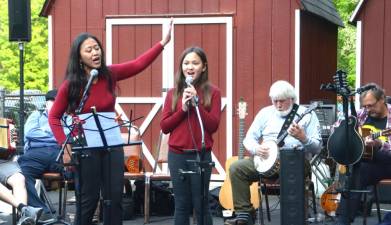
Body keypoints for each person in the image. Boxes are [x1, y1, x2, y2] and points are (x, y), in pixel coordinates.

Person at [48, 20, 173, 225]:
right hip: (86, 148)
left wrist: (163, 42)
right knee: (87, 201)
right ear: (79, 58)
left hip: (112, 146)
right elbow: (54, 117)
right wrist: (65, 143)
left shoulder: (109, 74)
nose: (95, 52)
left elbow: (138, 64)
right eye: (88, 50)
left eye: (96, 48)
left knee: (114, 200)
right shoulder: (71, 84)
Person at [224, 80, 322, 225]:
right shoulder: (265, 113)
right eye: (275, 101)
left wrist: (303, 138)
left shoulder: (307, 115)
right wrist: (257, 148)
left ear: (292, 99)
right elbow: (248, 139)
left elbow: (317, 147)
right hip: (266, 160)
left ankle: (294, 218)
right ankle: (244, 214)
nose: (278, 105)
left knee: (292, 168)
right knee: (236, 168)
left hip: (295, 160)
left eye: (282, 101)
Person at [160, 46, 221, 225]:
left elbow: (213, 126)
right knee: (181, 205)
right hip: (177, 155)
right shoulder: (173, 93)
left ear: (204, 66)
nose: (190, 67)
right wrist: (183, 109)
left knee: (201, 204)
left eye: (195, 63)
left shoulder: (213, 93)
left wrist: (198, 103)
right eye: (186, 63)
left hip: (200, 155)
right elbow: (165, 127)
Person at [334, 83, 391, 225]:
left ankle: (343, 220)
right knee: (358, 168)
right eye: (365, 106)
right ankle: (344, 220)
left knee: (357, 166)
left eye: (371, 105)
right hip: (368, 164)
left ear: (382, 99)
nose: (368, 109)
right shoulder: (361, 114)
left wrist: (380, 145)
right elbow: (337, 126)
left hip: (388, 161)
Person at [17, 89, 62, 222]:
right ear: (46, 103)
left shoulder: (67, 117)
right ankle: (42, 211)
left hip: (58, 153)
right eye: (51, 101)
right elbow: (30, 133)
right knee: (21, 174)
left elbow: (67, 137)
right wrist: (54, 134)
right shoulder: (36, 115)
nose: (54, 104)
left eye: (57, 101)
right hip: (36, 154)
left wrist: (43, 133)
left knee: (22, 161)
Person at [0, 132, 43, 225]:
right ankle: (24, 209)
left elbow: (13, 148)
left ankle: (24, 218)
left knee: (19, 179)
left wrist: (11, 140)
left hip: (3, 161)